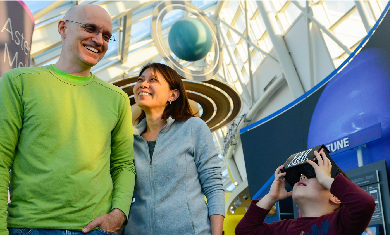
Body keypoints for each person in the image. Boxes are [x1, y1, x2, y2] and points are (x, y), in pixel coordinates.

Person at [0, 4, 135, 234]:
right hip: (30, 227)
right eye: (90, 28)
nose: (98, 40)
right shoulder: (20, 82)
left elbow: (124, 165)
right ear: (62, 28)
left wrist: (118, 213)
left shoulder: (118, 99)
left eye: (106, 35)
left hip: (95, 229)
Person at [124, 63, 225, 235]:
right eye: (140, 80)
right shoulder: (128, 140)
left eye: (153, 80)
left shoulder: (193, 127)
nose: (143, 84)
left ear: (173, 94)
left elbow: (213, 185)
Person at [235, 150, 376, 235]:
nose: (301, 177)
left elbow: (364, 204)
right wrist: (271, 197)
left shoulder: (341, 223)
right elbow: (244, 232)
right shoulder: (283, 229)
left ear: (335, 197)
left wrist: (327, 179)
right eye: (297, 177)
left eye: (312, 175)